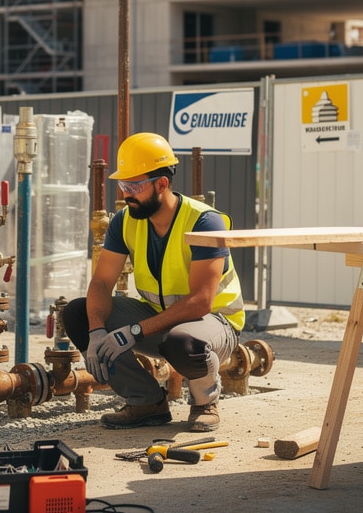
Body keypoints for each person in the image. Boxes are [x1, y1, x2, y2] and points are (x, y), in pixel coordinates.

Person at [61, 133, 244, 432]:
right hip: (159, 320)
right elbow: (101, 283)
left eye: (134, 186)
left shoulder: (204, 222)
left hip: (213, 325)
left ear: (162, 183)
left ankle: (204, 402)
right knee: (78, 313)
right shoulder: (125, 221)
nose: (126, 194)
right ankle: (146, 402)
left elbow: (201, 301)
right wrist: (95, 332)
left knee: (184, 342)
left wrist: (134, 331)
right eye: (123, 185)